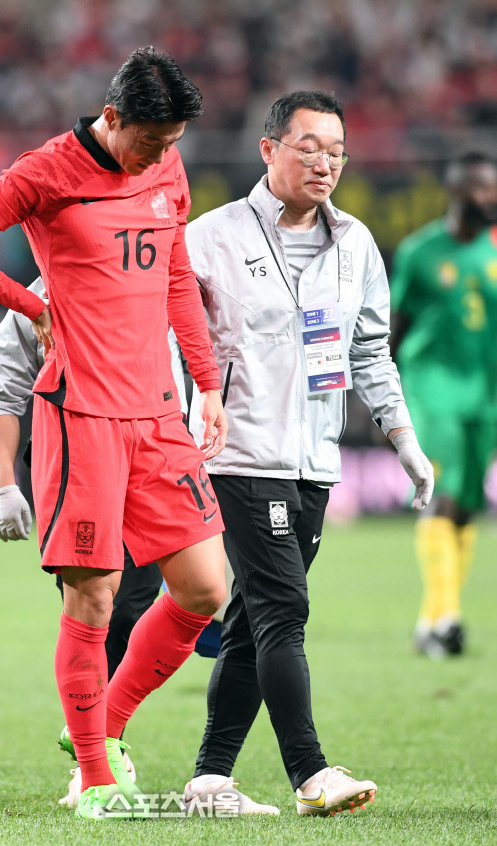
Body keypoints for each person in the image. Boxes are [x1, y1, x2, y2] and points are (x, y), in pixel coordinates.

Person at [0, 47, 228, 821]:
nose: (164, 155)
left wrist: (207, 385)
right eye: (152, 140)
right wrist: (31, 307)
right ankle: (95, 776)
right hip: (80, 414)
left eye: (174, 142)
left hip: (158, 414)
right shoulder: (45, 172)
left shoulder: (167, 169)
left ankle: (100, 727)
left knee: (204, 589)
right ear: (113, 117)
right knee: (92, 599)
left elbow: (173, 279)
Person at [181, 90, 434, 817]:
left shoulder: (353, 242)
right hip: (240, 454)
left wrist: (403, 439)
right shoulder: (210, 237)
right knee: (283, 608)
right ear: (269, 150)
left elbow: (367, 350)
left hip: (314, 460)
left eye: (336, 151)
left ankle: (208, 778)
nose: (325, 163)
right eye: (309, 147)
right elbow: (165, 332)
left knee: (252, 621)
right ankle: (310, 773)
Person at [0, 275, 222, 808]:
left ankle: (95, 733)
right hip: (77, 450)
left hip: (158, 450)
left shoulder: (156, 270)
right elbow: (3, 390)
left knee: (196, 591)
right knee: (105, 603)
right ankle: (100, 762)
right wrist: (4, 485)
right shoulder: (40, 297)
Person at [390, 152, 497, 658]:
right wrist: (382, 397)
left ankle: (432, 622)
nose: (491, 197)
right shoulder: (420, 252)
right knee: (444, 495)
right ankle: (447, 618)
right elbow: (395, 327)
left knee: (468, 505)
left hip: (486, 393)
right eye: (482, 189)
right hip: (433, 386)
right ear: (456, 192)